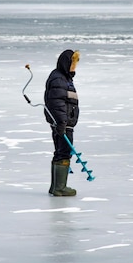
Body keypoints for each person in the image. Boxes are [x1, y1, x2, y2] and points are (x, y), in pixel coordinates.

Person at [44, 49, 80, 196]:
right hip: (63, 124)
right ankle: (60, 188)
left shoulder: (63, 78)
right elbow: (56, 103)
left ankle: (55, 187)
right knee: (64, 152)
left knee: (60, 152)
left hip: (64, 123)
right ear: (67, 62)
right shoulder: (59, 79)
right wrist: (62, 122)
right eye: (73, 63)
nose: (75, 66)